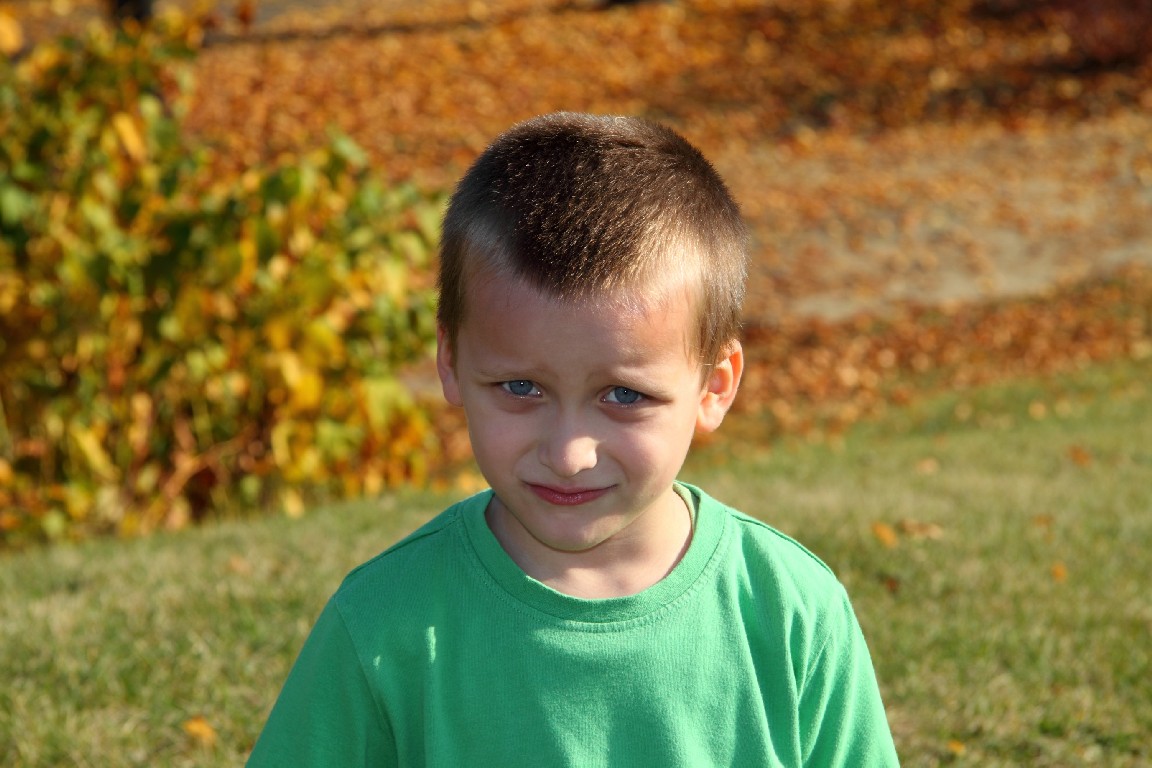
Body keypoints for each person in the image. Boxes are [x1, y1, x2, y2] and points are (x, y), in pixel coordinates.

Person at [246, 112, 900, 766]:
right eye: (521, 388)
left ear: (714, 385)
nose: (568, 454)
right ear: (450, 360)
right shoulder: (383, 623)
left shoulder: (791, 613)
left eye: (624, 396)